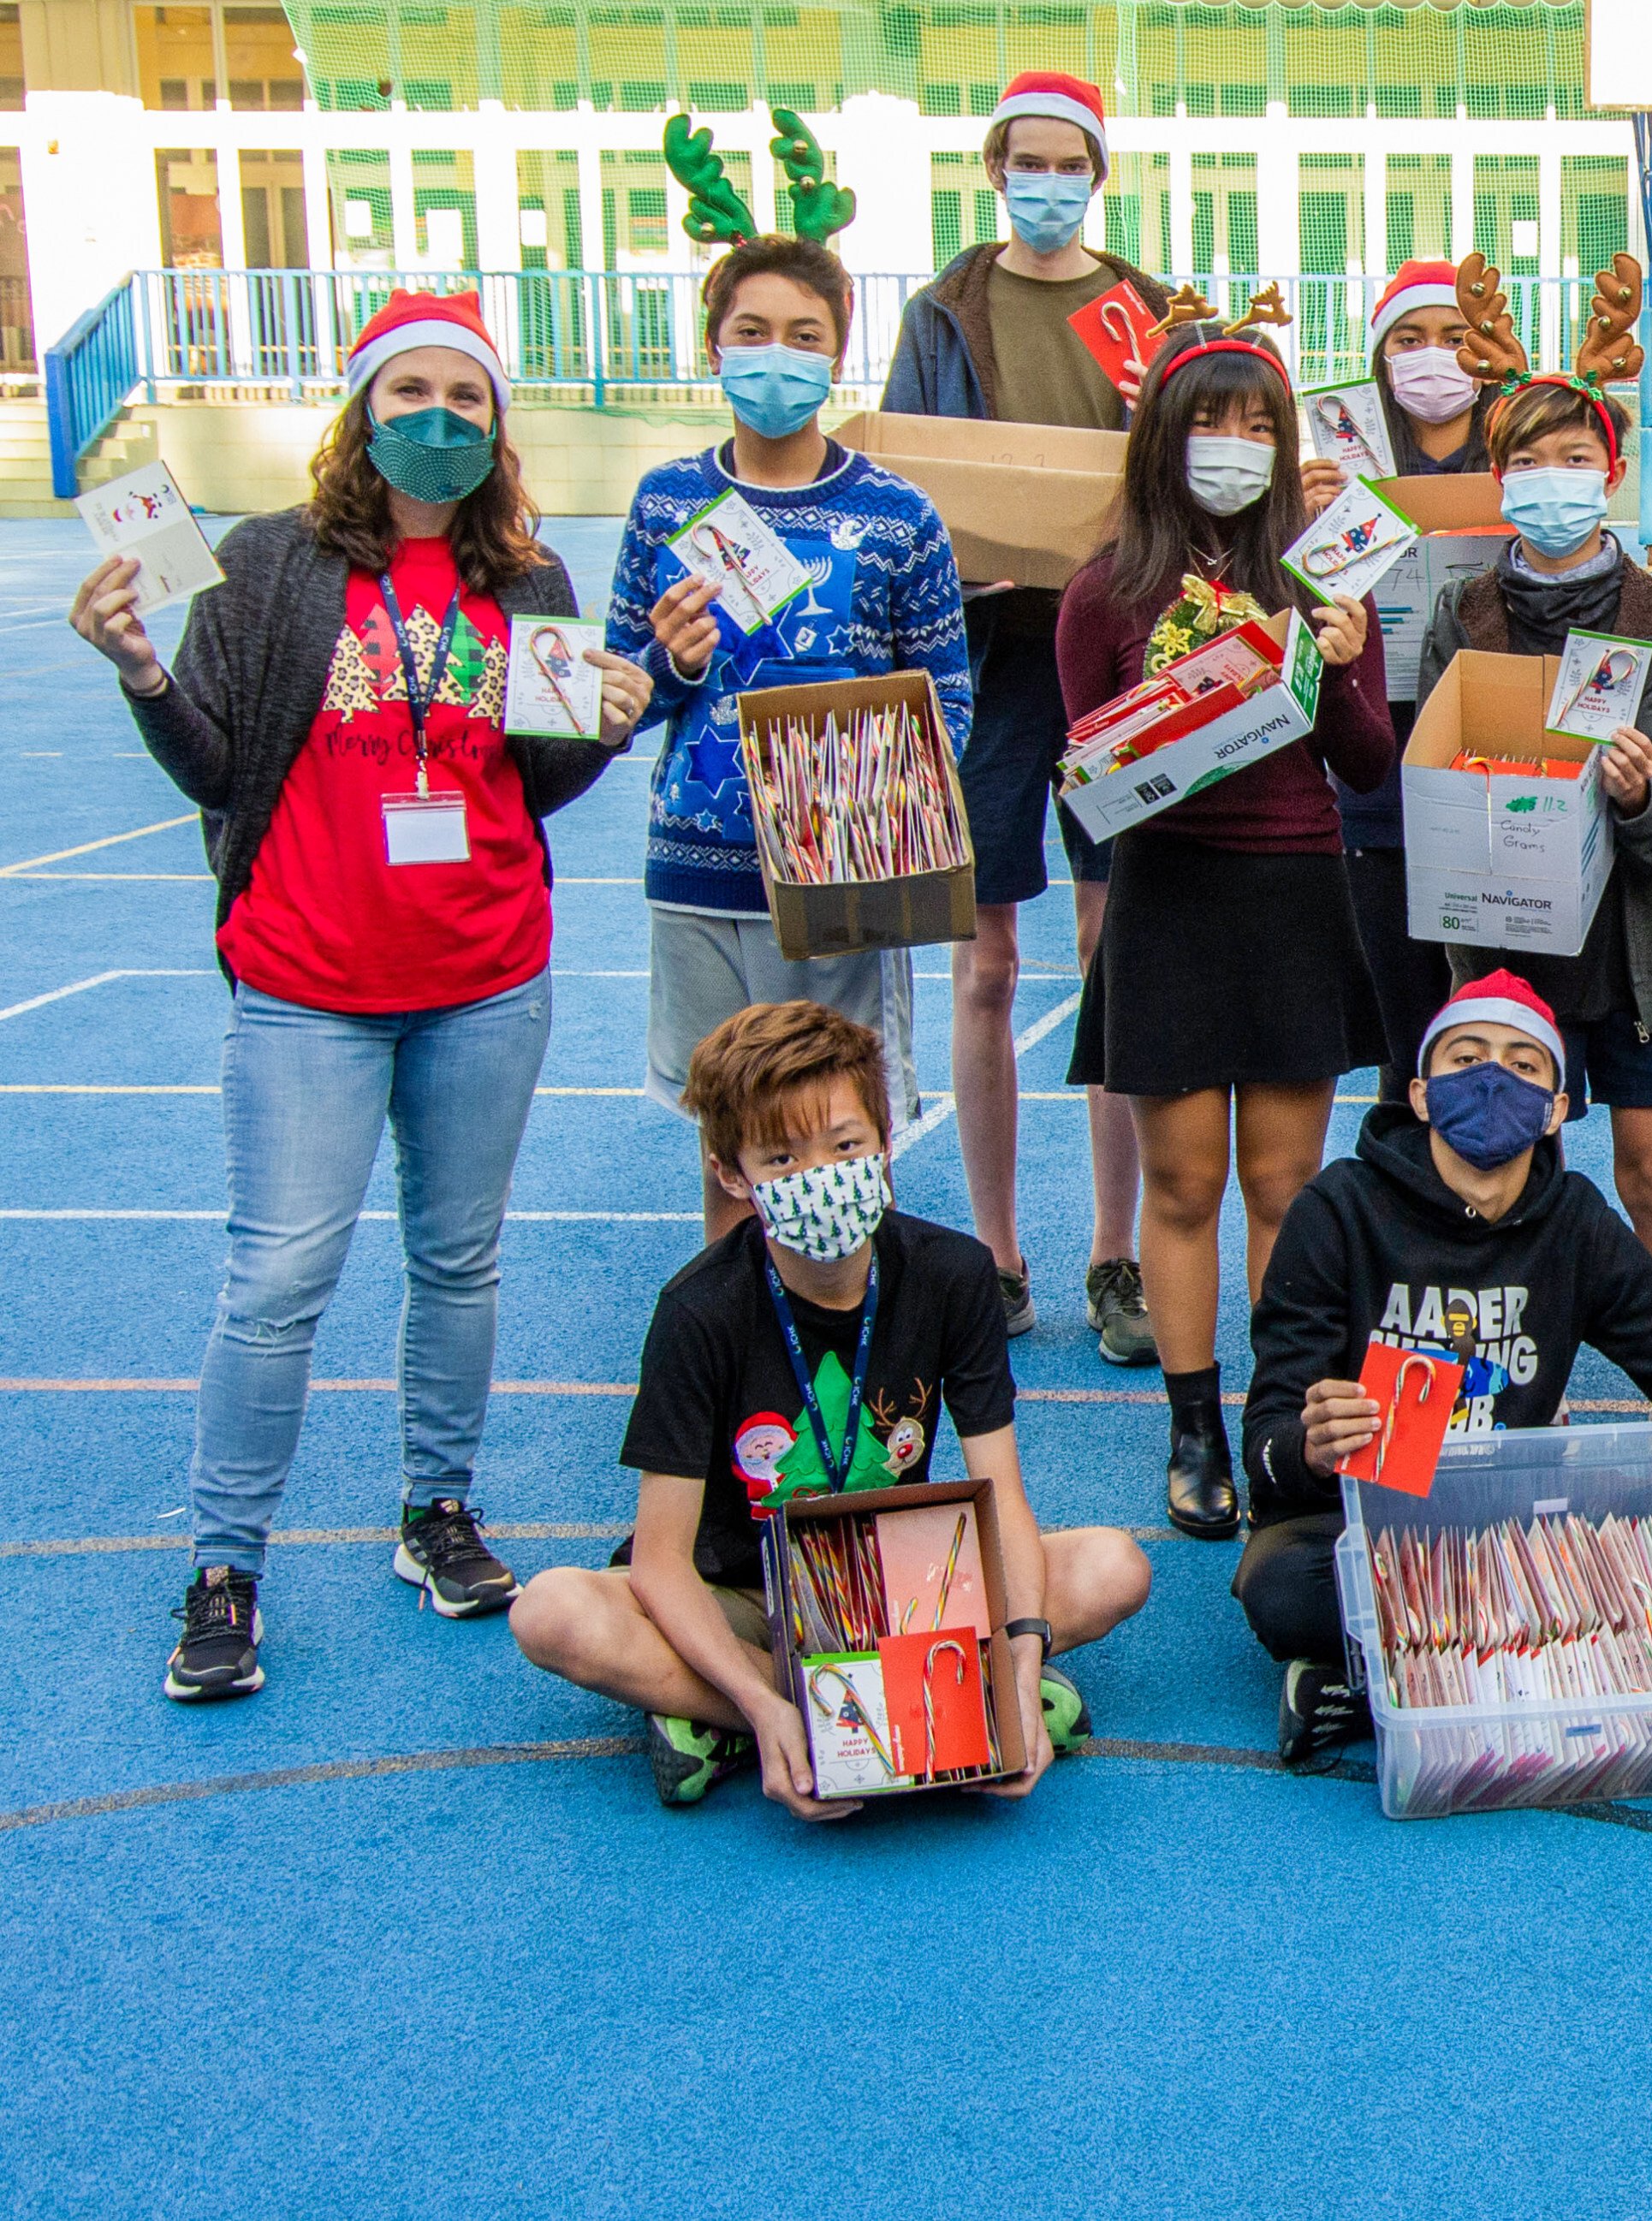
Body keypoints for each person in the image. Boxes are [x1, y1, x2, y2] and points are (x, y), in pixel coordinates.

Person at [69, 291, 650, 1699]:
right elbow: (217, 765)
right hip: (307, 984)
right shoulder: (268, 569)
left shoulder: (530, 583)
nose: (438, 420)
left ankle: (436, 1510)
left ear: (498, 424)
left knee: (459, 1263)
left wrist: (622, 722)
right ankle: (227, 1564)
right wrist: (144, 669)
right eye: (411, 395)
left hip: (484, 975)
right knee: (276, 1285)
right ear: (361, 409)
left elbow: (541, 780)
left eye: (466, 398)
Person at [509, 1002, 1153, 1814]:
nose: (821, 1173)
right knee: (553, 1612)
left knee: (1112, 1566)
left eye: (845, 1146)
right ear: (731, 1173)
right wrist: (765, 1703)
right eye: (782, 1157)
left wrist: (1022, 1665)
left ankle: (791, 1709)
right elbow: (660, 1562)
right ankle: (803, 1716)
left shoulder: (953, 1275)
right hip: (743, 1594)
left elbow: (1003, 1496)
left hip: (898, 1586)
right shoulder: (698, 1310)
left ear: (885, 1142)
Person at [1235, 973, 1652, 1760]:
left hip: (1517, 1517)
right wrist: (1311, 1447)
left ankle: (1392, 1674)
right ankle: (1548, 1652)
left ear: (1557, 1107)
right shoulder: (1338, 1208)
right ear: (1419, 1094)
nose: (1493, 1077)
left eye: (1524, 1065)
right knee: (1282, 1589)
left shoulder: (1574, 1220)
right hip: (1365, 1522)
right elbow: (1266, 1449)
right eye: (1466, 1057)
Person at [1055, 309, 1393, 1541]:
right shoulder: (1106, 591)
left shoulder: (1319, 573)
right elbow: (1083, 778)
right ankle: (1192, 1428)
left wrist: (1337, 658)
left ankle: (1278, 1422)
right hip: (1171, 901)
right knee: (1183, 1183)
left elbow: (1366, 761)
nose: (1237, 444)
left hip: (1295, 890)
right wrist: (1167, 722)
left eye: (1259, 423)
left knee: (1282, 1180)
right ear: (1162, 436)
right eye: (1213, 421)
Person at [880, 69, 1176, 1355]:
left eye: (1071, 162)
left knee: (1115, 957)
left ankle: (1116, 1251)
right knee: (985, 962)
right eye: (1026, 160)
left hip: (1111, 656)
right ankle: (996, 1255)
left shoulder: (1144, 309)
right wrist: (959, 562)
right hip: (988, 660)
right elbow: (903, 476)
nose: (1047, 181)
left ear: (1096, 174)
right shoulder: (943, 310)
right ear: (994, 165)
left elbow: (1181, 466)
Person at [613, 234, 973, 1246]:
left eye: (804, 336)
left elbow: (950, 698)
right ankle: (742, 1369)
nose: (778, 355)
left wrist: (865, 797)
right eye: (753, 332)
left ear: (837, 353)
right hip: (699, 872)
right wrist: (670, 663)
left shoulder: (898, 515)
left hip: (842, 881)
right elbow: (613, 699)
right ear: (714, 347)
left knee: (846, 1149)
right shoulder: (668, 503)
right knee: (733, 1151)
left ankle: (866, 1372)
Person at [1414, 357, 1652, 1303]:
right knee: (1505, 1169)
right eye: (1531, 461)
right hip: (1509, 939)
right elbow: (1433, 778)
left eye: (1576, 456)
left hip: (1641, 946)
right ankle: (1508, 1375)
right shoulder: (1464, 613)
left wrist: (1637, 799)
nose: (1556, 479)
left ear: (1611, 472)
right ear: (1502, 480)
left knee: (1650, 1172)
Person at [1303, 259, 1511, 1103]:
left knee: (1500, 1028)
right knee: (1405, 1048)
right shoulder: (1341, 462)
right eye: (1409, 340)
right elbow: (1313, 616)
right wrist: (1315, 522)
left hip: (1492, 764)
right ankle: (1404, 1219)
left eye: (1456, 339)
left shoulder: (1518, 453)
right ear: (1380, 356)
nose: (1433, 358)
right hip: (1377, 781)